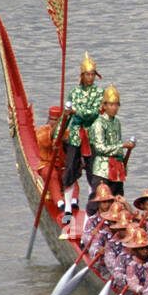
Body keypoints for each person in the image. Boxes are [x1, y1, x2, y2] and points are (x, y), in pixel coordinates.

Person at [61, 52, 104, 220]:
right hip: (76, 135)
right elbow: (68, 117)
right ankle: (67, 209)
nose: (90, 77)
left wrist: (77, 111)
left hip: (92, 135)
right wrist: (57, 135)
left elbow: (94, 114)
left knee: (93, 174)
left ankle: (90, 212)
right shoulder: (74, 92)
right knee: (70, 169)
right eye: (88, 74)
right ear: (82, 75)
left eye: (93, 74)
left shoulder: (99, 93)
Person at [90, 84, 134, 197]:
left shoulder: (117, 122)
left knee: (118, 202)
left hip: (117, 169)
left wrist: (124, 165)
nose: (114, 108)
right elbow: (100, 148)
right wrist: (122, 146)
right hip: (103, 169)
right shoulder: (98, 124)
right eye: (111, 104)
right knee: (100, 201)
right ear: (104, 106)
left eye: (116, 105)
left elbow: (118, 143)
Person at [36, 105, 63, 175]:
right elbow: (47, 138)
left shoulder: (66, 133)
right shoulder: (42, 131)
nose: (53, 122)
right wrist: (59, 124)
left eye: (56, 120)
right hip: (46, 165)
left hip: (62, 167)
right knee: (52, 176)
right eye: (52, 119)